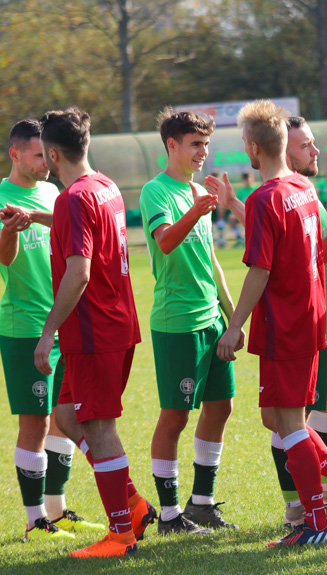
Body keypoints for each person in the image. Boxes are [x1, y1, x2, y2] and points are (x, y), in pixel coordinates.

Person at [216, 100, 327, 546]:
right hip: (309, 318)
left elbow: (260, 271)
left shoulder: (266, 197)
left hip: (285, 324)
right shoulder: (303, 187)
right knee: (276, 417)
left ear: (252, 148)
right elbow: (307, 256)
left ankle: (316, 523)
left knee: (290, 422)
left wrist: (234, 325)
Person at [36, 107, 155, 557]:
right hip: (118, 322)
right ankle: (133, 503)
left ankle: (122, 534)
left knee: (99, 429)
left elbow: (79, 271)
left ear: (51, 154)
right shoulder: (104, 186)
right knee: (66, 415)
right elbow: (89, 234)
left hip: (93, 330)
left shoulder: (71, 199)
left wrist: (48, 331)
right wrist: (36, 219)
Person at [138, 108, 240, 535]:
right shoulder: (155, 191)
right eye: (195, 144)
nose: (203, 151)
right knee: (175, 416)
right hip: (177, 322)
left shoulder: (197, 192)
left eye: (206, 144)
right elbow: (163, 244)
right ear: (172, 146)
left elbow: (213, 262)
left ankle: (201, 504)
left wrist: (233, 318)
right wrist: (195, 214)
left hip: (211, 319)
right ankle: (168, 515)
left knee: (222, 406)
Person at [0, 119, 102, 541]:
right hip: (25, 326)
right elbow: (4, 261)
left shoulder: (54, 192)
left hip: (64, 324)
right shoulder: (2, 197)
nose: (46, 161)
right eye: (38, 154)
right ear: (16, 154)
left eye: (47, 153)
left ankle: (58, 512)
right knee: (36, 423)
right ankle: (33, 519)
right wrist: (11, 229)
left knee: (65, 418)